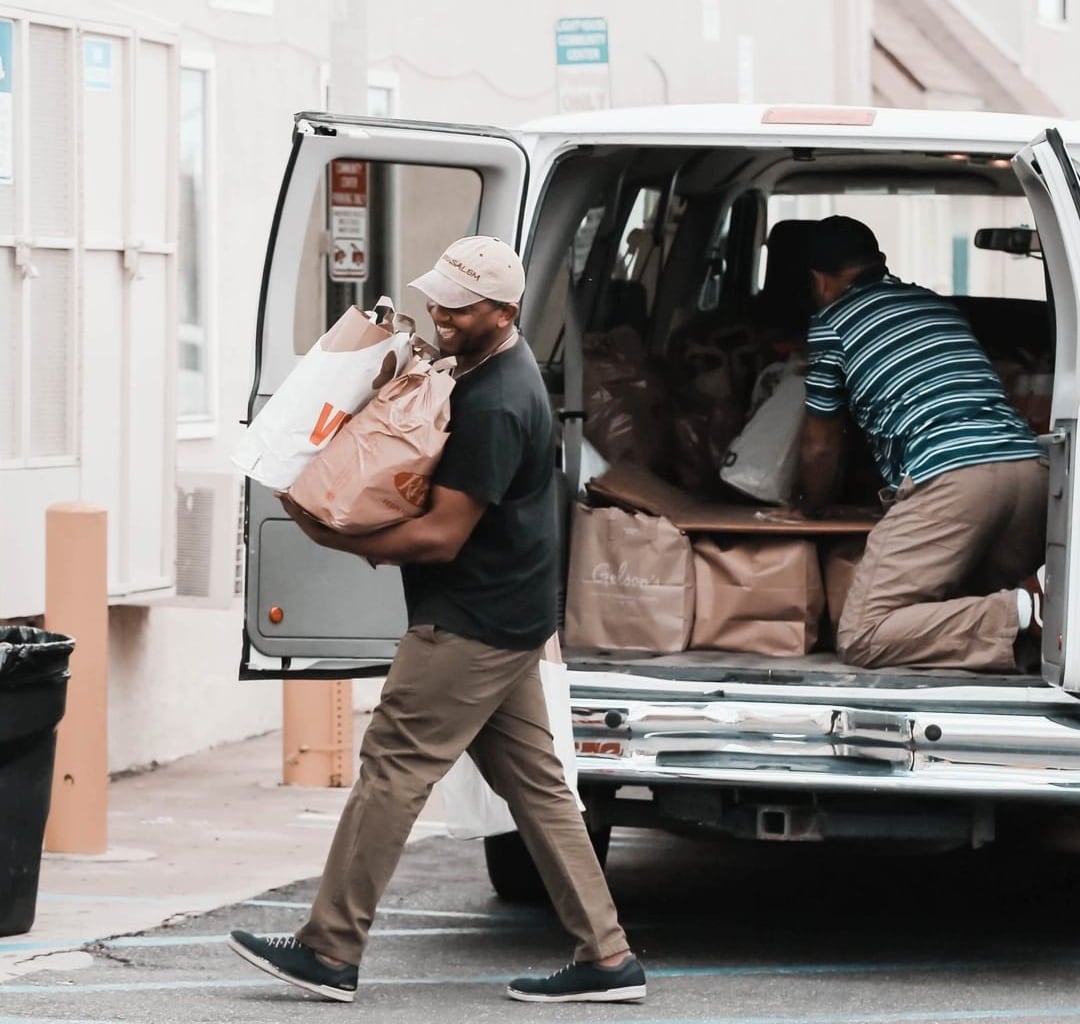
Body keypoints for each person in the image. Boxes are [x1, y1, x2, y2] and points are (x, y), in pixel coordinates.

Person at [227, 236, 645, 1004]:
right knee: (543, 793)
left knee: (392, 769)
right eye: (438, 297)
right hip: (508, 617)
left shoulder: (498, 400)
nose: (441, 313)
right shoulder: (489, 372)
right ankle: (609, 959)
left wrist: (333, 533)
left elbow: (441, 534)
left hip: (469, 623)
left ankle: (329, 950)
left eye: (460, 306)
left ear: (505, 311)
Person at [797, 215, 1047, 671]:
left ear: (819, 280)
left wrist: (810, 504)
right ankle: (1031, 614)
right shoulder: (935, 305)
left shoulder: (831, 323)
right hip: (1031, 470)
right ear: (881, 263)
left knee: (864, 635)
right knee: (967, 602)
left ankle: (1028, 609)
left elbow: (820, 444)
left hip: (952, 476)